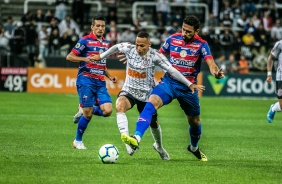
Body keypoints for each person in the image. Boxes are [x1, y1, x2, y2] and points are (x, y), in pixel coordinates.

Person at [120, 15, 225, 161]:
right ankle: (136, 138)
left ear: (197, 31)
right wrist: (137, 55)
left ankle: (193, 147)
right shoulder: (172, 39)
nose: (184, 33)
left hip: (189, 88)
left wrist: (215, 72)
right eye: (183, 30)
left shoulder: (202, 45)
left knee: (194, 122)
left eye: (189, 31)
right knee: (151, 103)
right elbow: (157, 54)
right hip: (169, 83)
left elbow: (211, 63)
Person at [90, 31, 205, 160]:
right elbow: (116, 47)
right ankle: (128, 143)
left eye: (142, 46)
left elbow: (172, 70)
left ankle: (160, 147)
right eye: (137, 45)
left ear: (149, 44)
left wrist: (189, 84)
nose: (138, 48)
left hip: (146, 94)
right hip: (129, 90)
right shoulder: (129, 49)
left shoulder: (155, 56)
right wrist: (102, 56)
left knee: (154, 123)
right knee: (120, 106)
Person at [66, 15, 114, 150]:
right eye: (97, 26)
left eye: (102, 26)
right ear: (92, 27)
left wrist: (109, 76)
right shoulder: (85, 41)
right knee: (88, 114)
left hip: (100, 82)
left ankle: (84, 108)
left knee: (108, 111)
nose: (100, 28)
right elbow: (69, 56)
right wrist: (85, 59)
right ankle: (77, 141)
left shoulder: (106, 44)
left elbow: (102, 64)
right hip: (86, 80)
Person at [266, 39, 282, 123]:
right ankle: (273, 108)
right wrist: (269, 74)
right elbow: (270, 58)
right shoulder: (280, 44)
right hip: (281, 77)